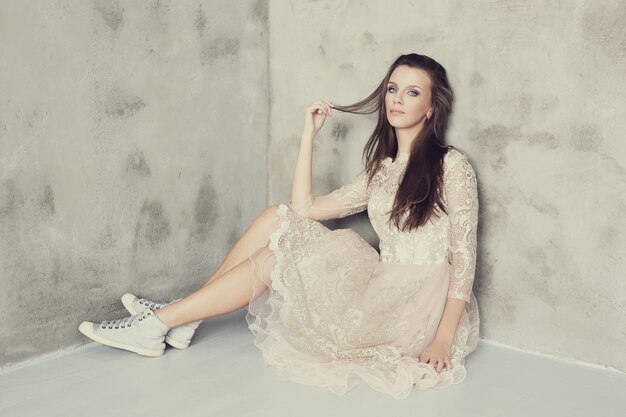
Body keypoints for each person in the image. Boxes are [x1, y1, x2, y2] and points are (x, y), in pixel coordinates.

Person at [78, 53, 480, 399]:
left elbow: (464, 256)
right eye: (393, 89)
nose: (397, 99)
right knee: (277, 215)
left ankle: (164, 322)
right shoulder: (381, 171)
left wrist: (443, 336)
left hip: (415, 302)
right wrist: (309, 135)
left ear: (431, 107)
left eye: (412, 92)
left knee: (273, 259)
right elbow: (304, 207)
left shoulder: (452, 166)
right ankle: (186, 317)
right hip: (379, 280)